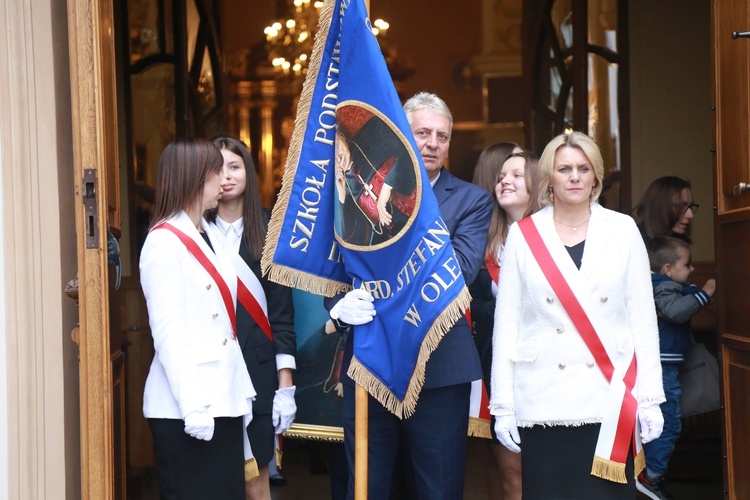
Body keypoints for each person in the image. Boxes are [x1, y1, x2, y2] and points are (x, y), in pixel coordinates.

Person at [326, 92, 493, 499]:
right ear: (401, 135)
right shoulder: (354, 191)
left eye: (442, 136)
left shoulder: (472, 201)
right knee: (368, 486)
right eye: (422, 132)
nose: (433, 143)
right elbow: (333, 264)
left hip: (439, 367)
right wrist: (337, 303)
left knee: (438, 488)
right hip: (371, 361)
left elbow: (460, 270)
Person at [489, 131, 666, 498]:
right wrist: (503, 405)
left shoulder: (622, 230)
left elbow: (643, 320)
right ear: (549, 178)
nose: (574, 176)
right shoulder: (525, 235)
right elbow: (506, 327)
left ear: (596, 177)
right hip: (542, 399)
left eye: (583, 168)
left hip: (609, 398)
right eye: (564, 168)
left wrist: (650, 398)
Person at [140, 137, 256, 499]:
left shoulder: (209, 234)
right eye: (215, 171)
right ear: (193, 177)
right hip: (188, 410)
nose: (223, 179)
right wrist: (194, 407)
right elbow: (169, 333)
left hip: (222, 398)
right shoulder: (164, 242)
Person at [208, 136, 297, 500]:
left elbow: (281, 317)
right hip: (211, 375)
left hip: (259, 377)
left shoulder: (270, 229)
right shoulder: (194, 231)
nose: (226, 176)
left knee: (256, 485)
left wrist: (286, 387)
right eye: (217, 168)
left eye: (235, 166)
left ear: (248, 171)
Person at [469, 146, 540, 500]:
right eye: (501, 176)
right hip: (496, 370)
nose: (505, 181)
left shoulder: (555, 237)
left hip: (545, 374)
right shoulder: (482, 244)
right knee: (506, 468)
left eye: (516, 175)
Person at [637, 236, 716, 500]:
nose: (692, 269)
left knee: (663, 422)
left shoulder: (664, 285)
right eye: (688, 264)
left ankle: (649, 473)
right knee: (668, 424)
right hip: (662, 369)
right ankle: (652, 476)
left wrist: (692, 291)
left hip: (663, 367)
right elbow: (675, 312)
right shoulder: (663, 287)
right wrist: (704, 294)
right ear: (669, 270)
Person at [633, 176, 698, 244]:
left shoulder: (677, 240)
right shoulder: (635, 241)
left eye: (690, 206)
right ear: (660, 207)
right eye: (681, 206)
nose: (690, 215)